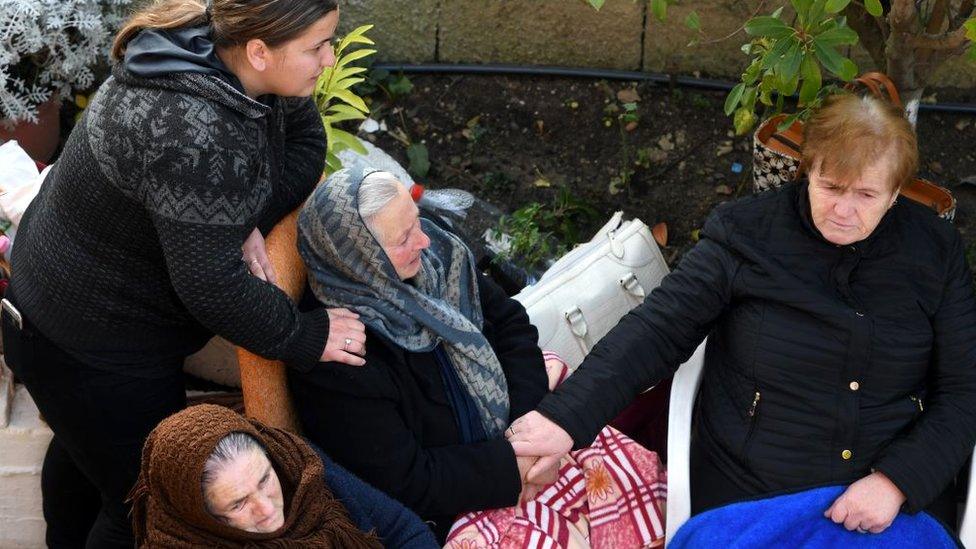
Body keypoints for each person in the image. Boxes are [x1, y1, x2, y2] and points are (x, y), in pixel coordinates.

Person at [507, 92, 976, 536]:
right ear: (806, 170)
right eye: (831, 187)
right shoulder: (746, 233)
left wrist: (896, 482)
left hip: (883, 503)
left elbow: (963, 391)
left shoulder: (934, 251)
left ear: (896, 194)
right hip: (754, 487)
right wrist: (563, 420)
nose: (843, 211)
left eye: (867, 196)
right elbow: (658, 330)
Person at [1, 1, 367, 547]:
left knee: (89, 458)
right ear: (261, 52)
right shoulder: (192, 132)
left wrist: (235, 210)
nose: (329, 57)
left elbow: (308, 145)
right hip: (88, 344)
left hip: (58, 312)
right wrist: (304, 336)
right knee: (147, 502)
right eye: (317, 45)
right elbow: (213, 287)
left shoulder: (214, 47)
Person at [289, 168, 667, 547]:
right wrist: (511, 463)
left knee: (646, 493)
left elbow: (511, 326)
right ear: (360, 260)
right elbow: (408, 481)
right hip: (462, 498)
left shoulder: (439, 255)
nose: (423, 240)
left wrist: (529, 427)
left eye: (415, 220)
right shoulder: (340, 361)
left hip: (522, 428)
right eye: (404, 238)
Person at [129, 404, 437, 548]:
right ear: (200, 516)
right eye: (238, 504)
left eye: (265, 480)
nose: (266, 509)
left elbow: (403, 531)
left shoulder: (297, 465)